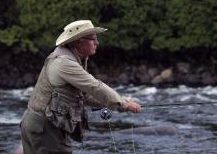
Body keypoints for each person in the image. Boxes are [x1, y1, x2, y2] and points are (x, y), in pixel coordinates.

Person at [20, 20, 141, 154]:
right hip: (45, 128)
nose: (97, 43)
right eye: (93, 39)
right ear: (78, 42)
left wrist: (118, 104)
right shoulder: (65, 63)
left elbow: (85, 95)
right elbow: (95, 87)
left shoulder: (66, 58)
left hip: (39, 125)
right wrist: (123, 104)